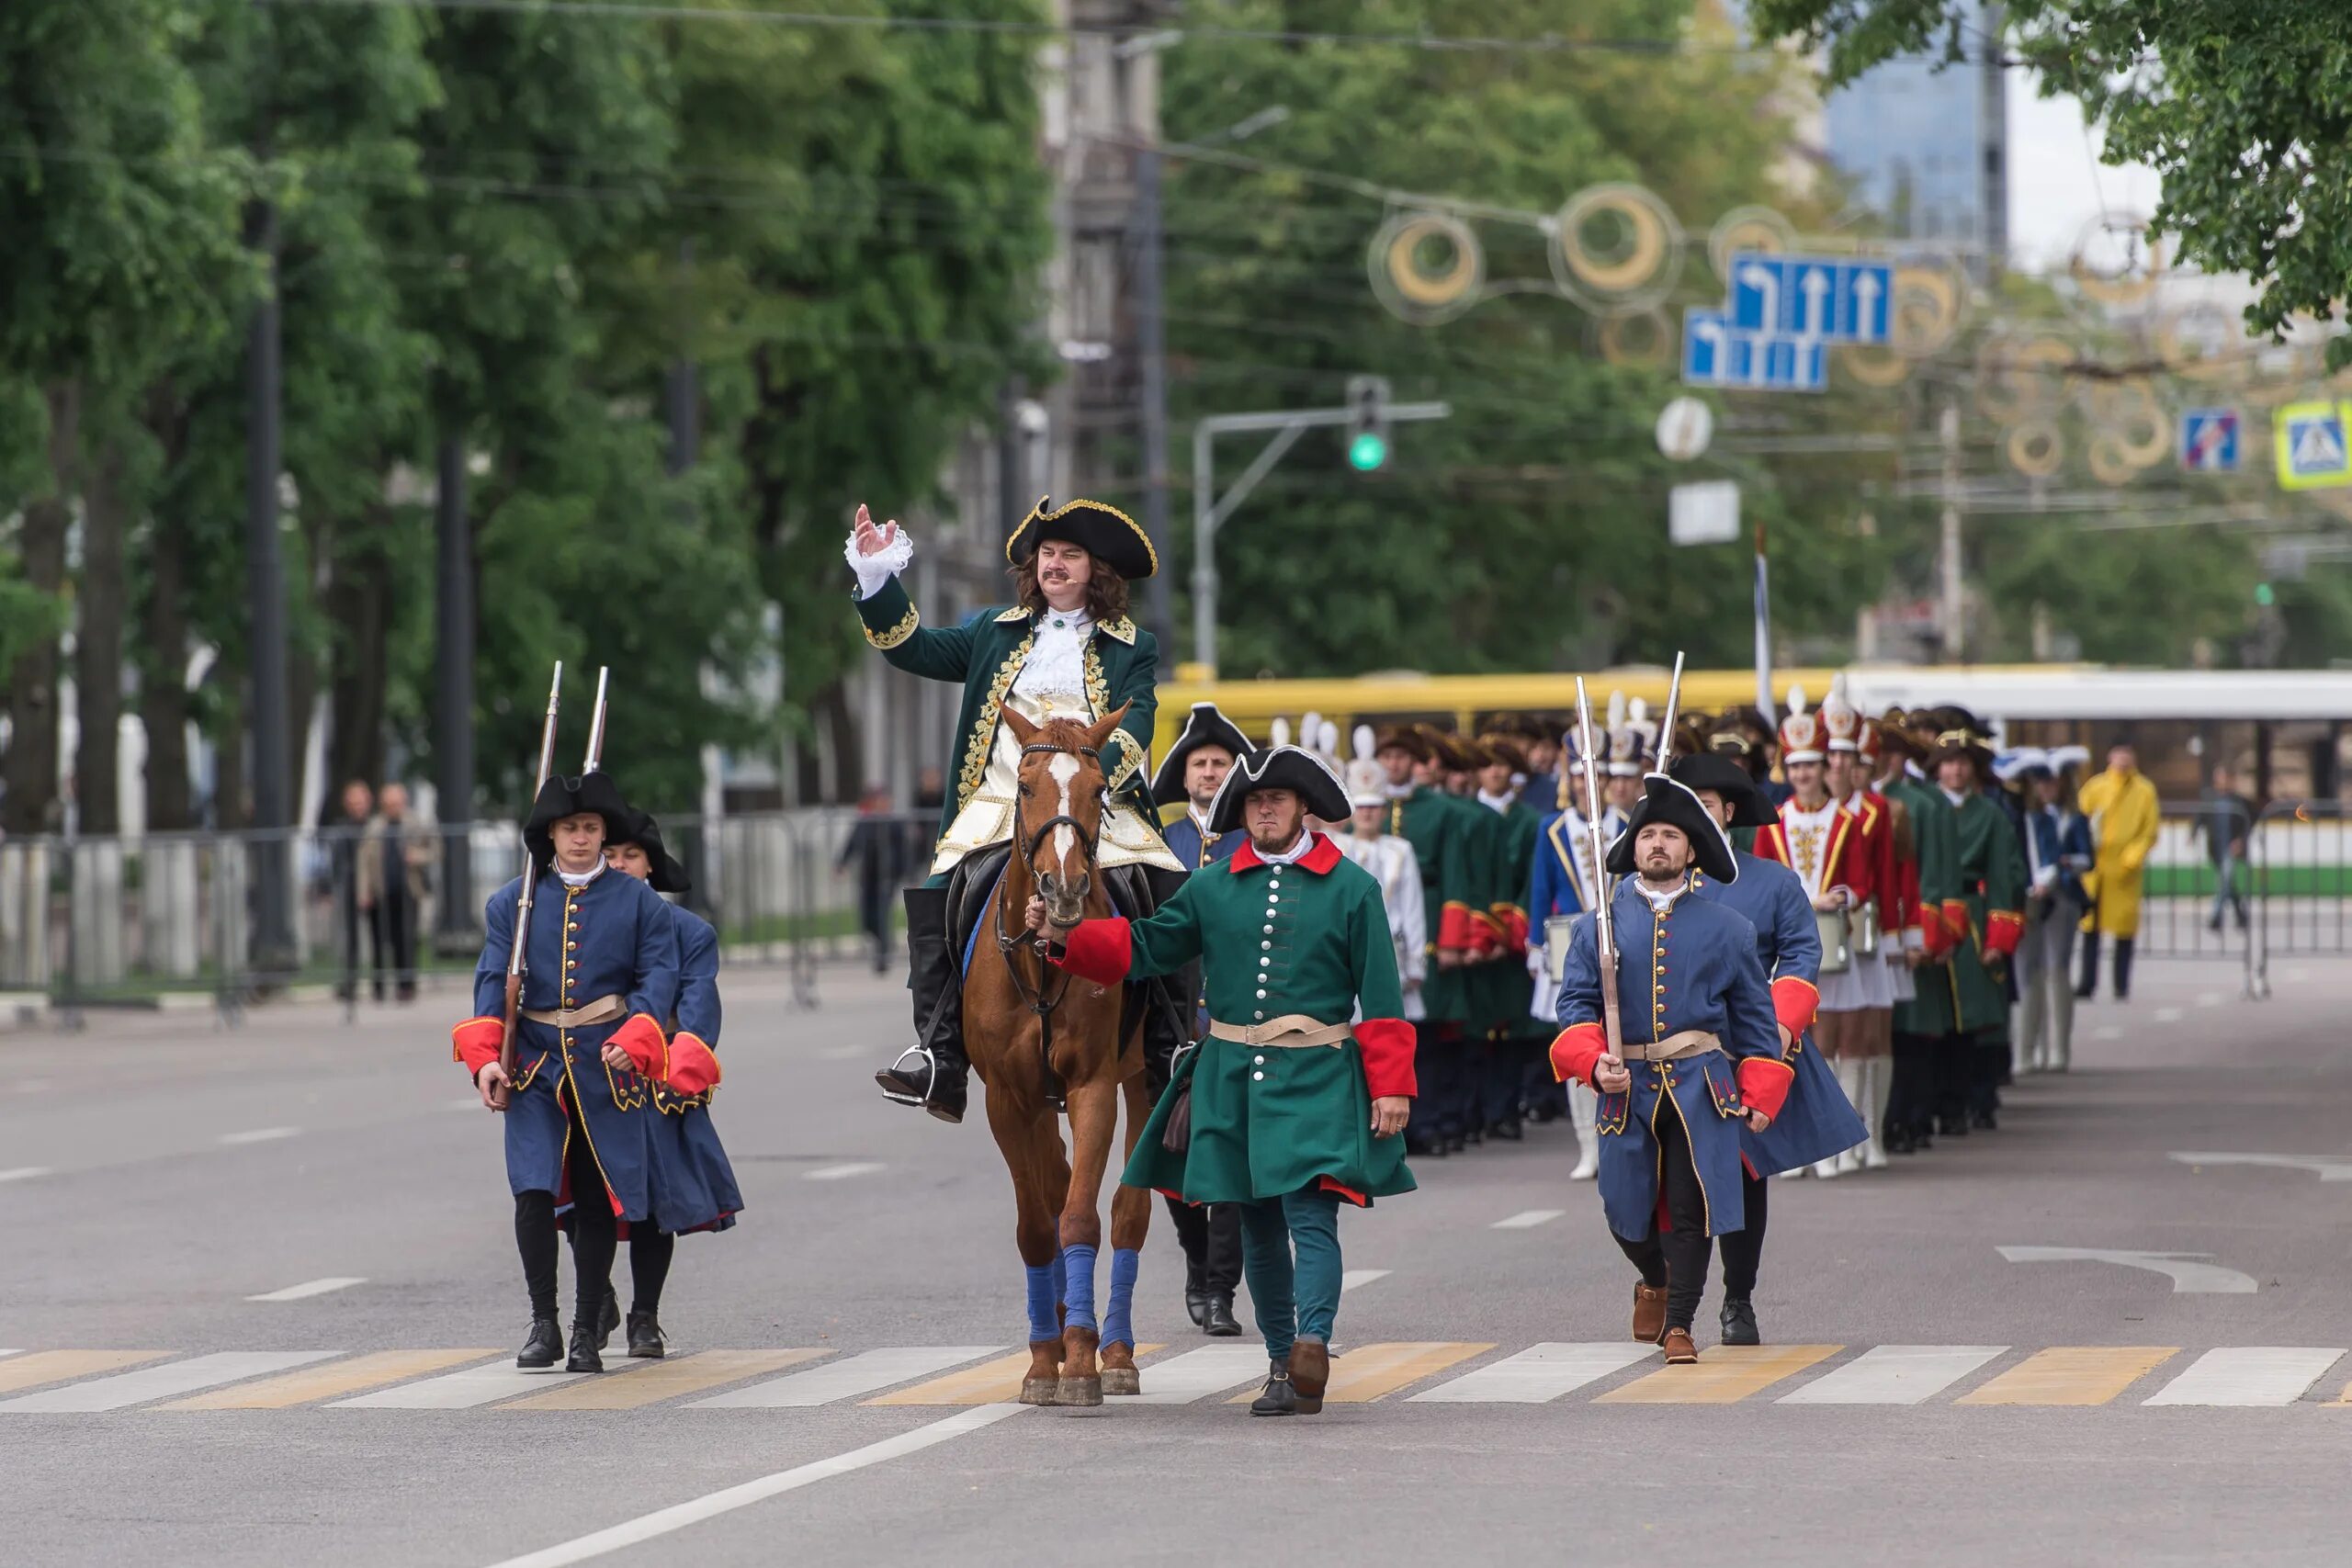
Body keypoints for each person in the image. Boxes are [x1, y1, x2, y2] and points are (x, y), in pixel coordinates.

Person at [1037, 742, 1417, 1418]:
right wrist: (1066, 938)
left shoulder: (1352, 886)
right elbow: (1145, 945)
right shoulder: (1211, 884)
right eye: (1252, 801)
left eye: (1276, 799)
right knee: (1258, 1227)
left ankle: (1312, 1342)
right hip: (1234, 1074)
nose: (1263, 808)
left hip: (1322, 1072)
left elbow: (1383, 1000)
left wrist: (1391, 1086)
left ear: (1303, 808)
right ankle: (1280, 1364)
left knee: (1311, 1214)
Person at [848, 496, 1182, 1122]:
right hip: (1002, 802)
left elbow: (1136, 722)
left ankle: (1170, 1042)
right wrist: (876, 579)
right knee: (940, 887)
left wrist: (1091, 783)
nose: (1055, 565)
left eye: (1071, 555)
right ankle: (940, 1052)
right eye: (1047, 554)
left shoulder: (1133, 645)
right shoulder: (992, 632)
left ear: (1097, 570)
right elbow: (910, 647)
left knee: (1168, 885)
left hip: (1095, 801)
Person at [450, 773, 698, 1374]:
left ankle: (588, 1327)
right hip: (535, 1065)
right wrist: (486, 1058)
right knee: (532, 1191)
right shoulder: (513, 900)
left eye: (590, 828)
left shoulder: (638, 901)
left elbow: (658, 976)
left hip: (604, 1067)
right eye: (570, 828)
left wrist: (637, 1037)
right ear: (551, 834)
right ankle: (544, 1321)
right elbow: (491, 982)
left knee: (593, 1200)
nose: (581, 839)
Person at [1548, 773, 1791, 1365]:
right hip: (1624, 1085)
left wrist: (1759, 1090)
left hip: (1701, 1083)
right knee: (1624, 1209)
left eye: (1671, 836)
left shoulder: (1731, 928)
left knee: (1692, 1206)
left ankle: (1680, 1322)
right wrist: (1590, 1060)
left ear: (1692, 850)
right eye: (1648, 834)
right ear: (1633, 847)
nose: (1657, 844)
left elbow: (1756, 1021)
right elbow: (1574, 1007)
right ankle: (1652, 1278)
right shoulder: (1595, 925)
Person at [1671, 750, 1854, 1345]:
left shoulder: (1774, 881)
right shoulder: (1647, 884)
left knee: (1745, 1176)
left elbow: (1802, 953)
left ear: (1728, 811)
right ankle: (1666, 1293)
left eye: (1708, 803)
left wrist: (1776, 1024)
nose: (1698, 813)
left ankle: (1738, 1297)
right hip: (1670, 1058)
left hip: (1743, 1052)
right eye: (1687, 802)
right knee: (1666, 1179)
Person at [582, 806, 743, 1358]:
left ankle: (644, 1317)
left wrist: (679, 1065)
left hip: (655, 1083)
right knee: (579, 1201)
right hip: (588, 1078)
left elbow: (698, 1007)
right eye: (610, 856)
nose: (621, 865)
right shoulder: (573, 925)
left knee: (654, 1206)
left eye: (631, 856)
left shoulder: (689, 932)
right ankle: (595, 1295)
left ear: (650, 865)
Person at [1147, 702, 1252, 1337]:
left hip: (1236, 1025)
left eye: (1219, 763)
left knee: (1232, 1163)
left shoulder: (1250, 841)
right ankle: (1195, 1256)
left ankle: (1220, 1291)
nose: (1210, 772)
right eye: (1200, 763)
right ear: (1183, 777)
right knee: (1173, 1159)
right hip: (1169, 1024)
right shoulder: (1158, 845)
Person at [1748, 689, 1872, 1179]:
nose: (1802, 776)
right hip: (1785, 951)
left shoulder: (1847, 822)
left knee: (1839, 1039)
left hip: (1834, 939)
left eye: (1811, 766)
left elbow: (1861, 881)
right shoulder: (1773, 822)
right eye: (1794, 767)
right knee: (1787, 1040)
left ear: (1826, 768)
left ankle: (1837, 1141)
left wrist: (1840, 895)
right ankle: (1788, 1142)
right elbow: (1759, 880)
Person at [1377, 727, 1481, 1157]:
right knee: (1391, 1032)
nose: (1395, 765)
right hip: (1381, 922)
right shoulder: (1369, 808)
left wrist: (1453, 938)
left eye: (1403, 757)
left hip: (1431, 922)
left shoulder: (1442, 810)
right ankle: (1404, 1126)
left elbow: (1456, 873)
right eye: (1389, 757)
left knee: (1432, 1033)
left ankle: (1438, 1121)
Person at [1925, 713, 2027, 1130]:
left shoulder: (1991, 815)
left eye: (1964, 762)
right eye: (1948, 762)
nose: (1956, 769)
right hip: (1930, 914)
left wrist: (1998, 938)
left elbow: (2006, 877)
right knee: (1934, 1021)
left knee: (1975, 1019)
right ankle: (1940, 1105)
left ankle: (1976, 1101)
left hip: (1973, 919)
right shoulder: (1924, 809)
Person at [1526, 725, 1619, 1172]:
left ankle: (1613, 1133)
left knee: (1617, 1037)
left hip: (1618, 943)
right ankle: (1587, 1144)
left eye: (1596, 775)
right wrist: (1534, 945)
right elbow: (1540, 889)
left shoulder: (1626, 824)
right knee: (1575, 1039)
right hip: (1566, 942)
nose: (1588, 784)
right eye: (1581, 776)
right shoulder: (1552, 826)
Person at [1818, 678, 1900, 1173]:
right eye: (1831, 757)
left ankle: (1873, 1132)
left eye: (1847, 757)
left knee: (1870, 1037)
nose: (1839, 766)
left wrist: (1893, 935)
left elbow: (1886, 877)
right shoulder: (1806, 815)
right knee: (1830, 1037)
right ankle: (1841, 1138)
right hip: (1824, 936)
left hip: (1865, 932)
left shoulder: (1875, 810)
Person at [1875, 709, 1961, 1153]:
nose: (1882, 760)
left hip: (1910, 926)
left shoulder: (1924, 805)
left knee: (1914, 1029)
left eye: (1892, 752)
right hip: (1869, 929)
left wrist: (1932, 933)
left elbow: (1938, 876)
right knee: (1875, 1035)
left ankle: (1912, 1117)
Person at [1471, 734, 1544, 1142]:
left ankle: (1508, 1109)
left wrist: (1510, 933)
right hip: (1474, 940)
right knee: (1477, 1033)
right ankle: (1480, 1110)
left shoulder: (1528, 820)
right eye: (1487, 764)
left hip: (1512, 941)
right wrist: (1477, 933)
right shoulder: (1465, 816)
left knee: (1514, 1032)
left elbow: (1531, 882)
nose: (1495, 772)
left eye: (1502, 764)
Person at [2007, 749, 2093, 1074]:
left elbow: (2078, 857)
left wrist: (2061, 868)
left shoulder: (2072, 817)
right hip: (2030, 897)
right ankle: (2027, 1049)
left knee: (2056, 968)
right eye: (2041, 782)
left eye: (2052, 782)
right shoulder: (2028, 816)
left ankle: (2059, 1048)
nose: (2046, 788)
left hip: (2062, 896)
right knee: (2028, 972)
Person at [2076, 741, 2160, 1001]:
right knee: (2091, 929)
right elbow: (2079, 820)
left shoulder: (2144, 791)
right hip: (2096, 869)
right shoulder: (2096, 786)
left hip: (2124, 871)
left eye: (2127, 753)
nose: (2123, 758)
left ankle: (2121, 985)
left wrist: (2132, 857)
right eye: (2119, 753)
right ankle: (2087, 983)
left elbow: (2149, 831)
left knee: (2124, 931)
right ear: (2110, 756)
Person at [835, 784, 908, 974]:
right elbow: (851, 844)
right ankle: (883, 942)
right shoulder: (865, 822)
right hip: (868, 876)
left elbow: (905, 852)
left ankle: (882, 955)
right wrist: (841, 864)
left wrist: (908, 874)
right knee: (867, 918)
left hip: (888, 877)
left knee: (882, 914)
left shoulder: (894, 824)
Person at [332, 780, 373, 1003]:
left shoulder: (375, 827)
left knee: (379, 935)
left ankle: (381, 983)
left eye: (360, 802)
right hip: (349, 886)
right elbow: (336, 862)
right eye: (353, 802)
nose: (357, 806)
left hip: (373, 887)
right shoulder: (343, 829)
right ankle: (349, 982)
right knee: (350, 939)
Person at [2202, 763, 2255, 935]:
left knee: (2224, 881)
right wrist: (2192, 834)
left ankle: (2216, 917)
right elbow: (2200, 818)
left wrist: (2241, 840)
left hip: (2230, 848)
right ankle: (2241, 915)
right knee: (2228, 883)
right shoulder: (2210, 799)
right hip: (2215, 848)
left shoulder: (2238, 801)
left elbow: (2248, 822)